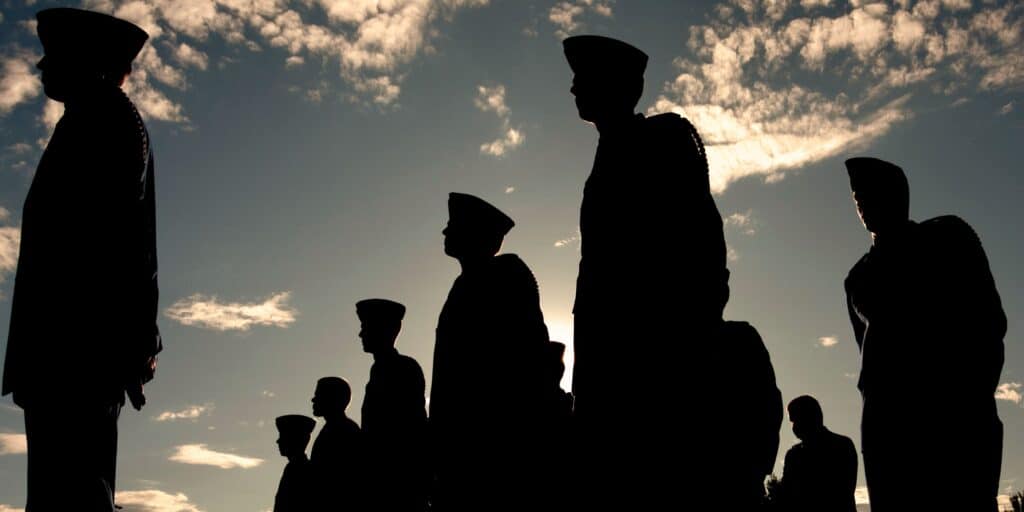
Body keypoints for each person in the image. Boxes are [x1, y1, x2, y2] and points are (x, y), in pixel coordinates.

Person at [1, 8, 160, 510]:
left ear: (88, 63)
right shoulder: (89, 120)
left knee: (71, 493)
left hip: (75, 348)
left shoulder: (105, 121)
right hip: (65, 350)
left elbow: (117, 243)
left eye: (56, 56)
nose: (43, 67)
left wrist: (132, 337)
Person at [561, 35, 728, 509]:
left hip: (656, 370)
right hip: (608, 367)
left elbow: (702, 247)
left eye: (582, 79)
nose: (572, 89)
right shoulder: (609, 155)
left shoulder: (663, 141)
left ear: (613, 85)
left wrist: (686, 346)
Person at [843, 157, 1005, 511]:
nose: (864, 205)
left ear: (900, 196)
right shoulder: (858, 278)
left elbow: (989, 320)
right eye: (857, 198)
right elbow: (867, 354)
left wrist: (970, 396)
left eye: (873, 194)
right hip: (885, 426)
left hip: (954, 417)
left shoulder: (947, 235)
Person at [429, 193, 549, 512]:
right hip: (459, 451)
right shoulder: (462, 287)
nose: (445, 232)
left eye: (453, 225)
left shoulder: (507, 276)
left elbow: (528, 360)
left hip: (495, 450)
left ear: (475, 233)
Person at [356, 299, 428, 512]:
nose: (361, 335)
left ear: (386, 330)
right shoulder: (378, 372)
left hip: (398, 485)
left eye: (365, 328)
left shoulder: (403, 368)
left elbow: (413, 428)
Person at [778, 396, 857, 512]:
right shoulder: (793, 454)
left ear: (809, 417)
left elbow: (843, 490)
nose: (793, 426)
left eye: (794, 420)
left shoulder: (842, 445)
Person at [310, 376, 364, 510]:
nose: (313, 399)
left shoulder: (345, 430)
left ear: (331, 398)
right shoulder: (333, 429)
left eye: (318, 395)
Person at [273, 414, 316, 512]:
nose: (278, 441)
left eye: (282, 436)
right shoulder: (293, 468)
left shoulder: (298, 470)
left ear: (294, 439)